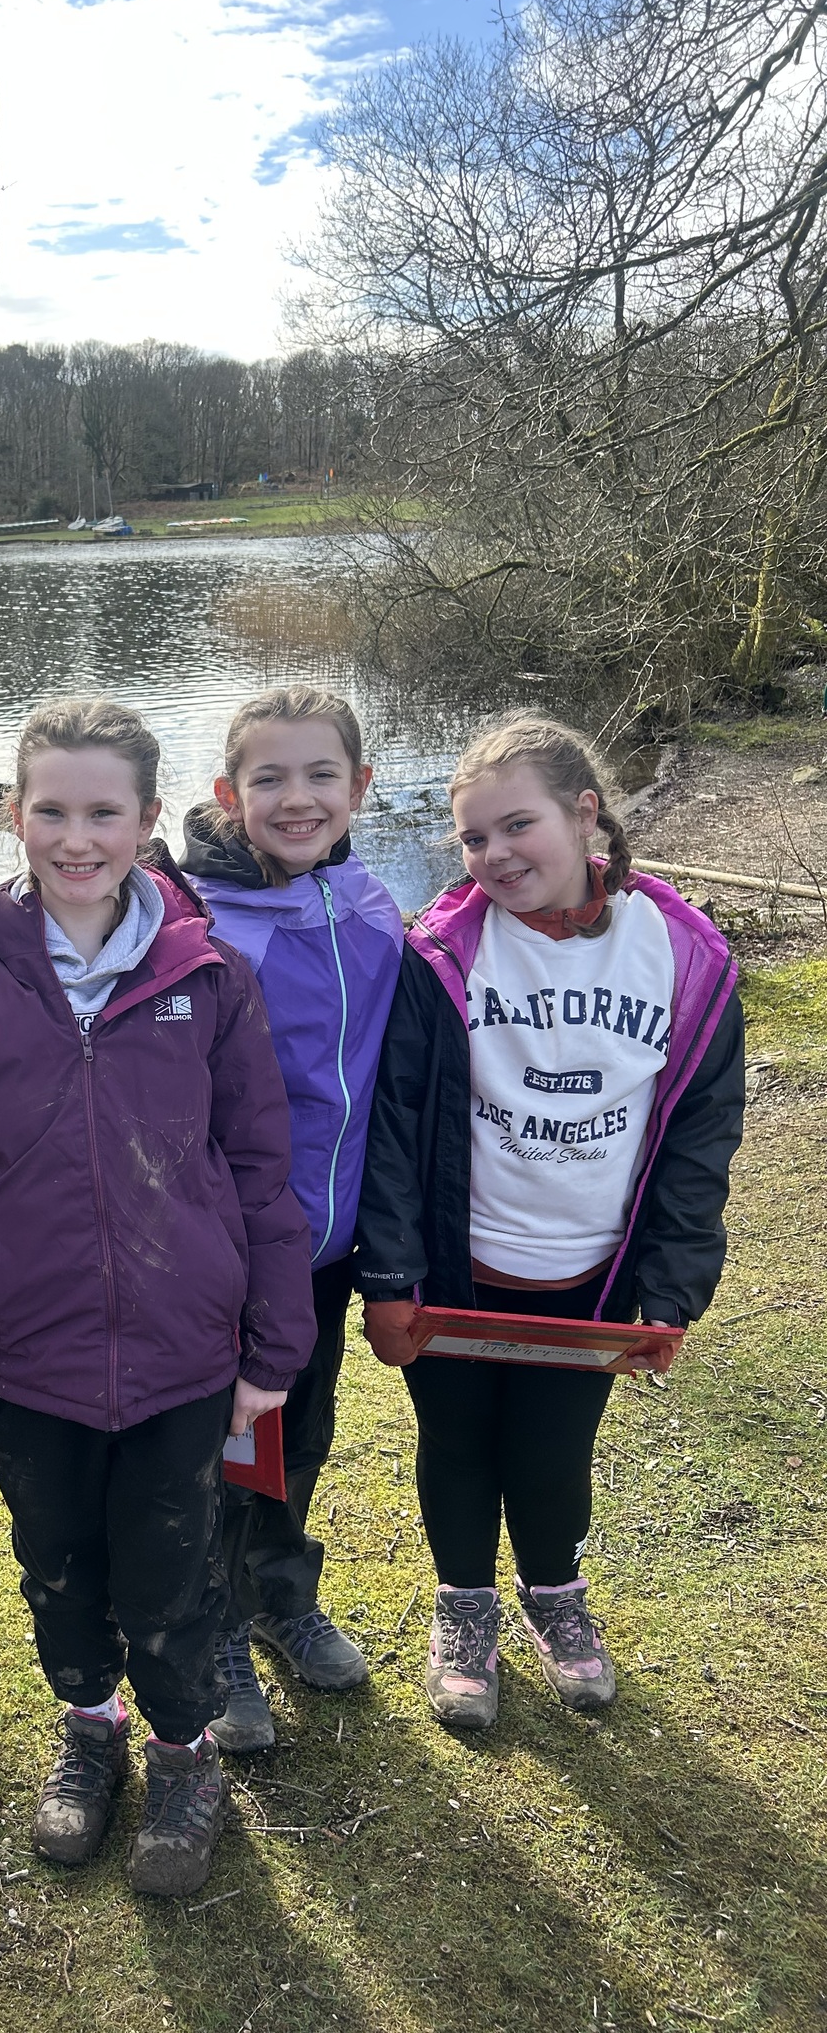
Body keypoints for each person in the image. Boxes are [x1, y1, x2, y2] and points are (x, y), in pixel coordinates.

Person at [0, 698, 315, 1899]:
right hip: (30, 1359)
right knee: (58, 1566)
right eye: (52, 811)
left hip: (184, 1356)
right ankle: (91, 1726)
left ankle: (183, 1754)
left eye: (104, 812)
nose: (77, 838)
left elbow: (260, 1168)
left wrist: (275, 1344)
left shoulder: (209, 979)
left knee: (170, 1571)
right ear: (13, 814)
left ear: (146, 816)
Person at [356, 712, 744, 1729]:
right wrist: (389, 1278)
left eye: (516, 825)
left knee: (552, 1452)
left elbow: (700, 1136)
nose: (494, 854)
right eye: (473, 837)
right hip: (460, 1273)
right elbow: (394, 1125)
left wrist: (673, 1285)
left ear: (585, 815)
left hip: (590, 1280)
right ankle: (463, 1607)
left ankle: (555, 1597)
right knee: (456, 1444)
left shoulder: (685, 953)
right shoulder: (439, 953)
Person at [182, 687, 403, 1751]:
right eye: (268, 778)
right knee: (221, 1446)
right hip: (221, 1253)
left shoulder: (373, 909)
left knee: (299, 1433)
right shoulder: (193, 923)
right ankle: (213, 1626)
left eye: (322, 775)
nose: (297, 797)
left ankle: (279, 1590)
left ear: (361, 787)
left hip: (327, 1245)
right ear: (229, 794)